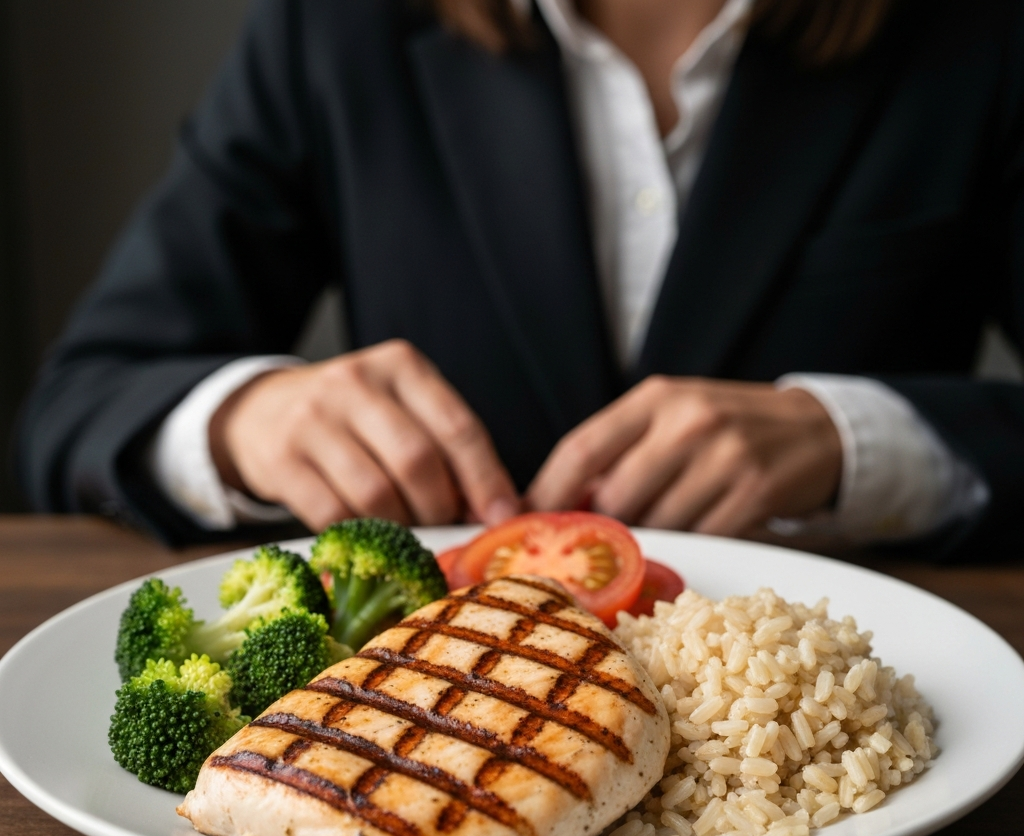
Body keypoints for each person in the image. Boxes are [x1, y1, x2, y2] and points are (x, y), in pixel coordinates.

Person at [16, 0, 1024, 559]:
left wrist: (855, 444)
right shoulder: (329, 29)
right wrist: (247, 419)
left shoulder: (981, 34)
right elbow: (77, 404)